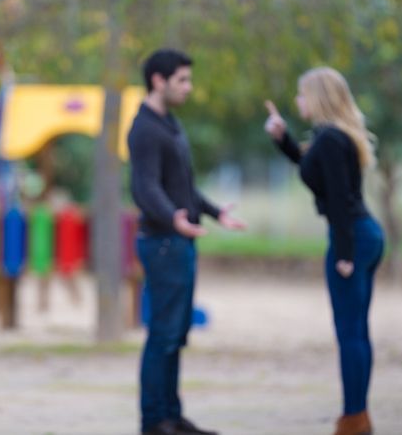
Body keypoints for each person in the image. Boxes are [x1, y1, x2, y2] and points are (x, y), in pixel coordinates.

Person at [128, 49, 245, 435]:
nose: (189, 88)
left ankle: (172, 416)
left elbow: (183, 185)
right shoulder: (144, 128)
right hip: (162, 242)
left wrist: (214, 212)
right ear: (158, 80)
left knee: (176, 334)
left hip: (179, 240)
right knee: (162, 333)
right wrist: (172, 216)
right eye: (183, 80)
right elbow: (144, 186)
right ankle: (154, 421)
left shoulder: (170, 123)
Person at [264, 67, 384, 435]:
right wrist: (283, 139)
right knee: (357, 330)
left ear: (318, 98)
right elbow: (311, 169)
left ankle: (353, 418)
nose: (298, 101)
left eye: (302, 94)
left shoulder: (330, 139)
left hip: (352, 236)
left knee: (349, 331)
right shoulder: (331, 138)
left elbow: (338, 198)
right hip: (363, 233)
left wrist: (344, 253)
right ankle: (358, 416)